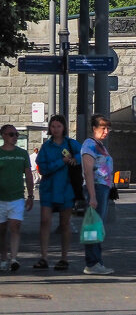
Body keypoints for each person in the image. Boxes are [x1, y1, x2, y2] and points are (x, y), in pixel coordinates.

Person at [34, 115, 80, 271]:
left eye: (58, 126)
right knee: (44, 222)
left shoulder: (71, 144)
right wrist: (62, 162)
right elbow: (43, 168)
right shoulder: (46, 147)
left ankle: (64, 258)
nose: (55, 129)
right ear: (49, 128)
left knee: (64, 224)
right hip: (48, 189)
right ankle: (44, 257)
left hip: (66, 189)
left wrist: (76, 160)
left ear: (64, 127)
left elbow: (85, 155)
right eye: (53, 126)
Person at [80, 114, 116, 274]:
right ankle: (92, 262)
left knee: (96, 226)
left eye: (108, 128)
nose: (106, 131)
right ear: (94, 128)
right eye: (103, 128)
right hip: (95, 188)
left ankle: (96, 261)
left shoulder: (100, 145)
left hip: (103, 188)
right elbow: (88, 171)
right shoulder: (89, 145)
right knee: (93, 226)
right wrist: (92, 196)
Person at [1, 124, 36, 272]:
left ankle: (14, 258)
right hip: (0, 198)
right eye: (11, 134)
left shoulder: (22, 154)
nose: (14, 137)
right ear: (3, 135)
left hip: (17, 197)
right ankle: (3, 258)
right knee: (1, 231)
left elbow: (28, 175)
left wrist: (30, 195)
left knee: (15, 227)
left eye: (16, 134)